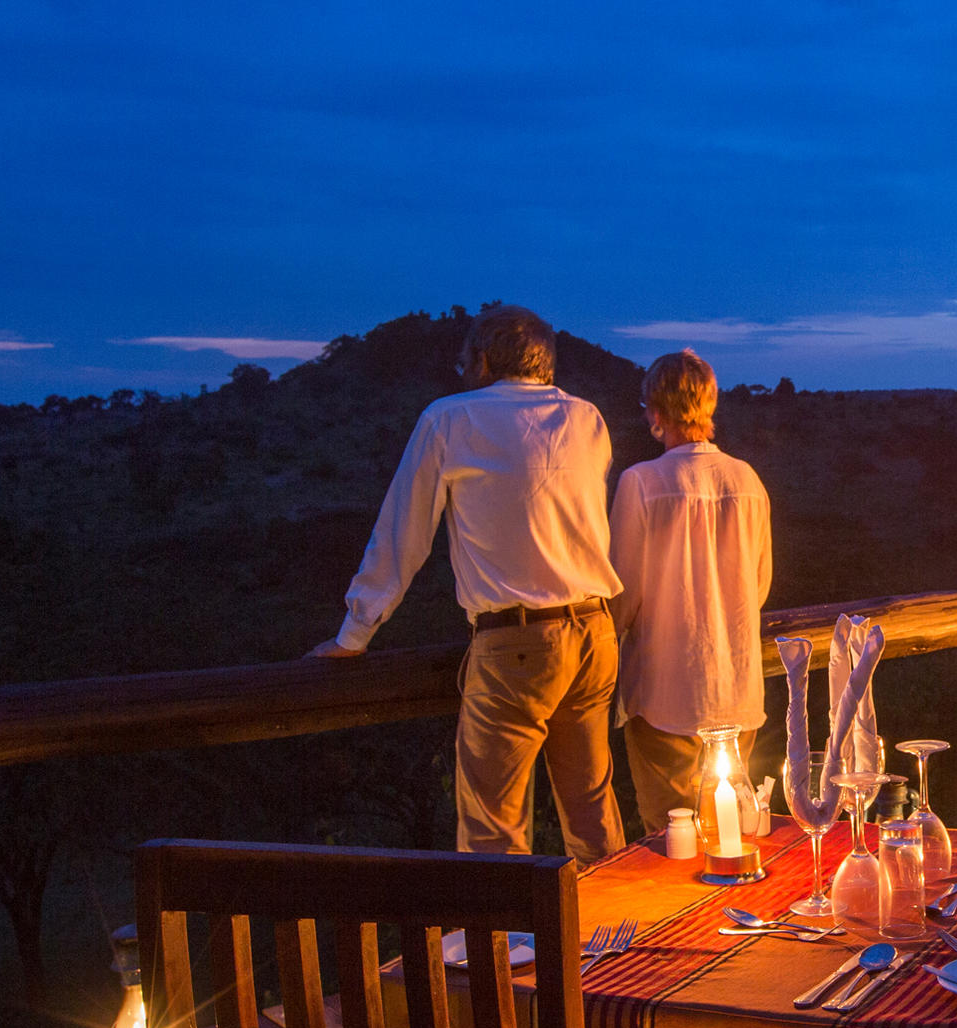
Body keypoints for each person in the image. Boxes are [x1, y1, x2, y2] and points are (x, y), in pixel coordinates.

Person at [306, 305, 627, 862]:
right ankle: (619, 939)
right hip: (595, 633)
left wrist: (353, 635)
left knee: (493, 828)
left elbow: (403, 532)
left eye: (464, 362)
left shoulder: (451, 419)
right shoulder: (586, 418)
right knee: (591, 811)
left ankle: (505, 946)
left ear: (481, 360)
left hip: (518, 646)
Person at [609, 349, 774, 834]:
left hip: (665, 693)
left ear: (656, 414)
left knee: (670, 833)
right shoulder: (747, 480)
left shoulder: (641, 483)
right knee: (732, 833)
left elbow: (623, 594)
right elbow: (758, 586)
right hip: (737, 690)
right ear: (710, 404)